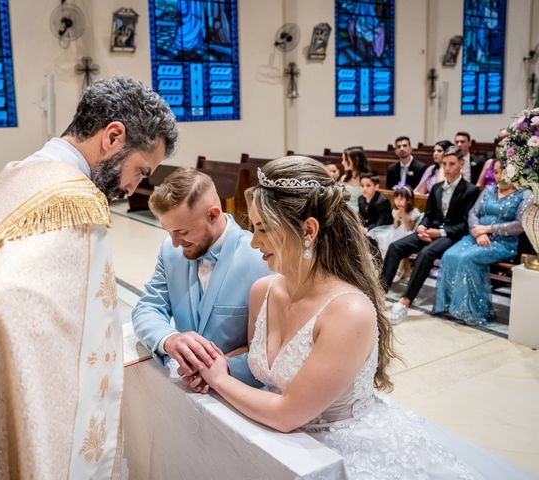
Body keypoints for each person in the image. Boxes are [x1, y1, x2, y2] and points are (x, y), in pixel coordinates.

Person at [196, 157, 530, 479]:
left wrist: (218, 380)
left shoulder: (348, 311)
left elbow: (286, 414)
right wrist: (212, 361)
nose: (254, 242)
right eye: (253, 229)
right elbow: (258, 359)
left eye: (263, 229)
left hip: (341, 448)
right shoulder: (263, 290)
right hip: (276, 442)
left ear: (308, 230)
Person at [0, 76, 178, 479]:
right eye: (140, 170)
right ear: (113, 136)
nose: (134, 189)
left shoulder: (25, 172)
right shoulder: (73, 201)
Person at [132, 167, 270, 388]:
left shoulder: (260, 258)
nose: (175, 242)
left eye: (183, 232)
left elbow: (272, 345)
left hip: (241, 390)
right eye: (168, 231)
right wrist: (170, 339)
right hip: (183, 389)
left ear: (213, 215)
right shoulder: (170, 250)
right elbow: (147, 307)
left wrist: (223, 369)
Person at [382, 147, 480, 325]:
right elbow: (428, 214)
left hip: (452, 235)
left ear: (461, 164)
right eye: (444, 164)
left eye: (452, 164)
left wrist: (441, 232)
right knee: (395, 247)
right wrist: (422, 227)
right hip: (429, 231)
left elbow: (465, 223)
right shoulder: (436, 188)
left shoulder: (470, 190)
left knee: (426, 254)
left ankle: (405, 301)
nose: (447, 168)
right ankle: (381, 292)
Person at [433, 158, 533, 325]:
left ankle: (474, 310)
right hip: (477, 237)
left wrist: (487, 230)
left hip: (502, 242)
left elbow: (520, 225)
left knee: (467, 259)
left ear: (515, 173)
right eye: (495, 172)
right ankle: (450, 306)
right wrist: (478, 232)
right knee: (449, 255)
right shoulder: (488, 190)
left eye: (504, 172)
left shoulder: (525, 194)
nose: (499, 176)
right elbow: (473, 213)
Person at [368, 184, 421, 261]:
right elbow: (395, 226)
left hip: (408, 233)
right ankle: (384, 261)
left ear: (408, 200)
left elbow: (410, 229)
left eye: (401, 199)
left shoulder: (413, 212)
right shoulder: (395, 211)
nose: (398, 202)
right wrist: (397, 218)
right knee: (382, 238)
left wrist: (404, 216)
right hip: (396, 231)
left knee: (394, 242)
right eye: (396, 198)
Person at [341, 146, 370, 213]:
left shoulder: (367, 179)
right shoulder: (344, 178)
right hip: (343, 211)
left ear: (355, 161)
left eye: (345, 159)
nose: (342, 162)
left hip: (360, 214)